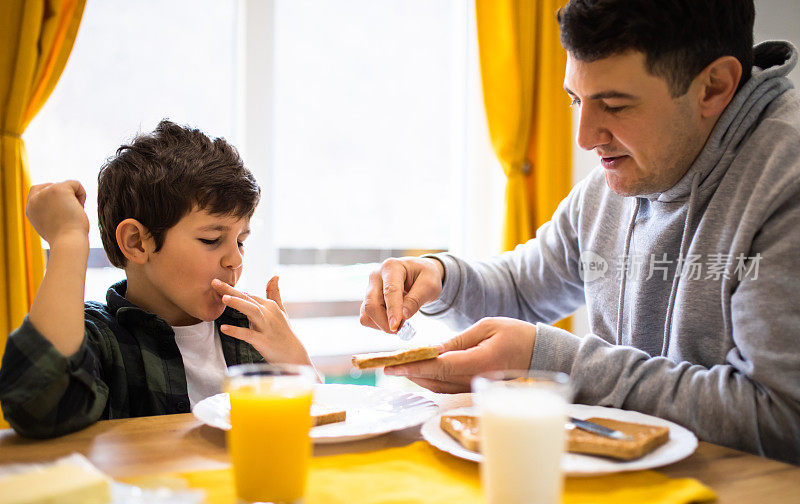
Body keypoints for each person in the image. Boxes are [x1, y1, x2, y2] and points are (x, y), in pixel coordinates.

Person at [360, 0, 800, 465]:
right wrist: (439, 279)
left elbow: (781, 419)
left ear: (714, 86)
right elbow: (523, 287)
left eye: (613, 105)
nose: (585, 137)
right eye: (576, 100)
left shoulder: (784, 183)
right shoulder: (615, 184)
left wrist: (556, 362)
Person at [0, 120, 314, 438]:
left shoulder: (249, 331)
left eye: (241, 240)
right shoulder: (100, 338)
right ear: (138, 242)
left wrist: (294, 358)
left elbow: (311, 425)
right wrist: (69, 239)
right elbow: (37, 410)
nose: (235, 260)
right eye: (211, 239)